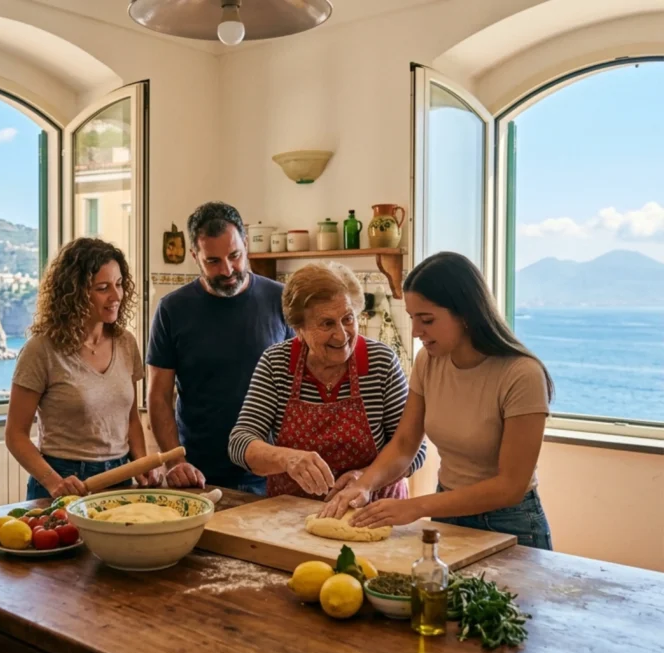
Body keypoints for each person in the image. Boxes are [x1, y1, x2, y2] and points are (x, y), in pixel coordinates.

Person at [321, 252, 555, 549]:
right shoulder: (429, 362)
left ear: (466, 314)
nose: (417, 332)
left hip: (510, 523)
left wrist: (417, 507)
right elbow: (405, 443)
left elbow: (510, 487)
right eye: (412, 319)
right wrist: (364, 485)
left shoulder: (522, 375)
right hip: (448, 516)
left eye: (427, 320)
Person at [229, 263, 427, 499]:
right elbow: (240, 442)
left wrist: (364, 478)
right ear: (299, 328)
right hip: (292, 516)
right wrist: (288, 458)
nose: (342, 335)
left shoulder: (380, 362)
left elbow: (414, 451)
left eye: (347, 319)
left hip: (374, 509)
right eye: (327, 323)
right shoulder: (277, 363)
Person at [147, 201, 293, 494]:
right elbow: (159, 396)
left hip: (271, 470)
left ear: (246, 244)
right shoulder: (172, 309)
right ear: (195, 256)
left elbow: (300, 384)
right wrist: (174, 462)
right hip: (198, 474)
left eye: (235, 255)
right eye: (213, 261)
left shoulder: (280, 300)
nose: (227, 269)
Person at [5, 237, 158, 500]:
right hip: (65, 478)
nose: (116, 296)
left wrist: (141, 464)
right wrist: (54, 481)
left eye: (119, 284)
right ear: (75, 292)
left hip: (121, 478)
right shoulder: (41, 351)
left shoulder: (126, 343)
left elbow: (131, 420)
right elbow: (15, 434)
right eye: (102, 288)